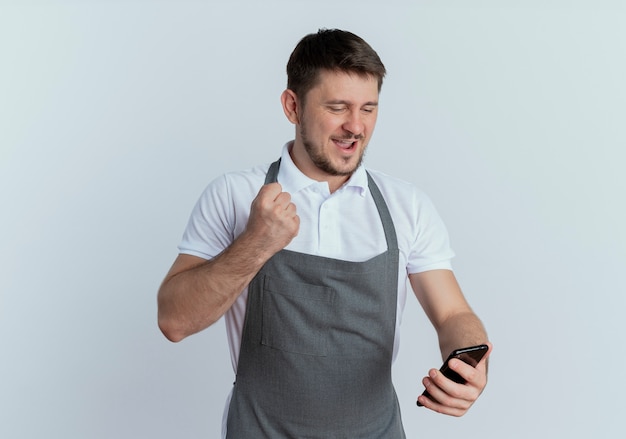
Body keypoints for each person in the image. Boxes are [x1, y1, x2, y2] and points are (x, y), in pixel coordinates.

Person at [158, 28, 491, 438]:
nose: (356, 126)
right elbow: (174, 320)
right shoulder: (235, 195)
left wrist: (469, 365)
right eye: (338, 107)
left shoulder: (407, 205)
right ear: (292, 106)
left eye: (368, 108)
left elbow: (453, 314)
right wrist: (255, 243)